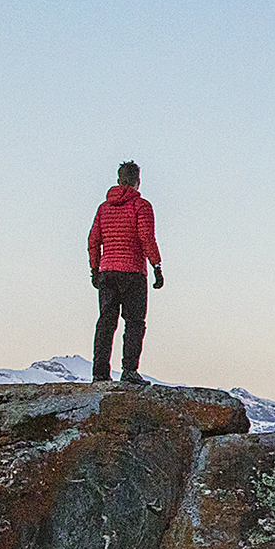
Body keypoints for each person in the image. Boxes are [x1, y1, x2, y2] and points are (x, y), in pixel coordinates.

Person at [88, 161, 164, 385]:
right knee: (134, 322)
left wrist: (95, 268)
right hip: (133, 272)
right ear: (137, 181)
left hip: (107, 271)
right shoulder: (141, 206)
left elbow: (93, 240)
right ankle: (129, 371)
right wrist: (156, 266)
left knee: (106, 322)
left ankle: (100, 373)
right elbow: (146, 238)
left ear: (118, 180)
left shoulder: (103, 208)